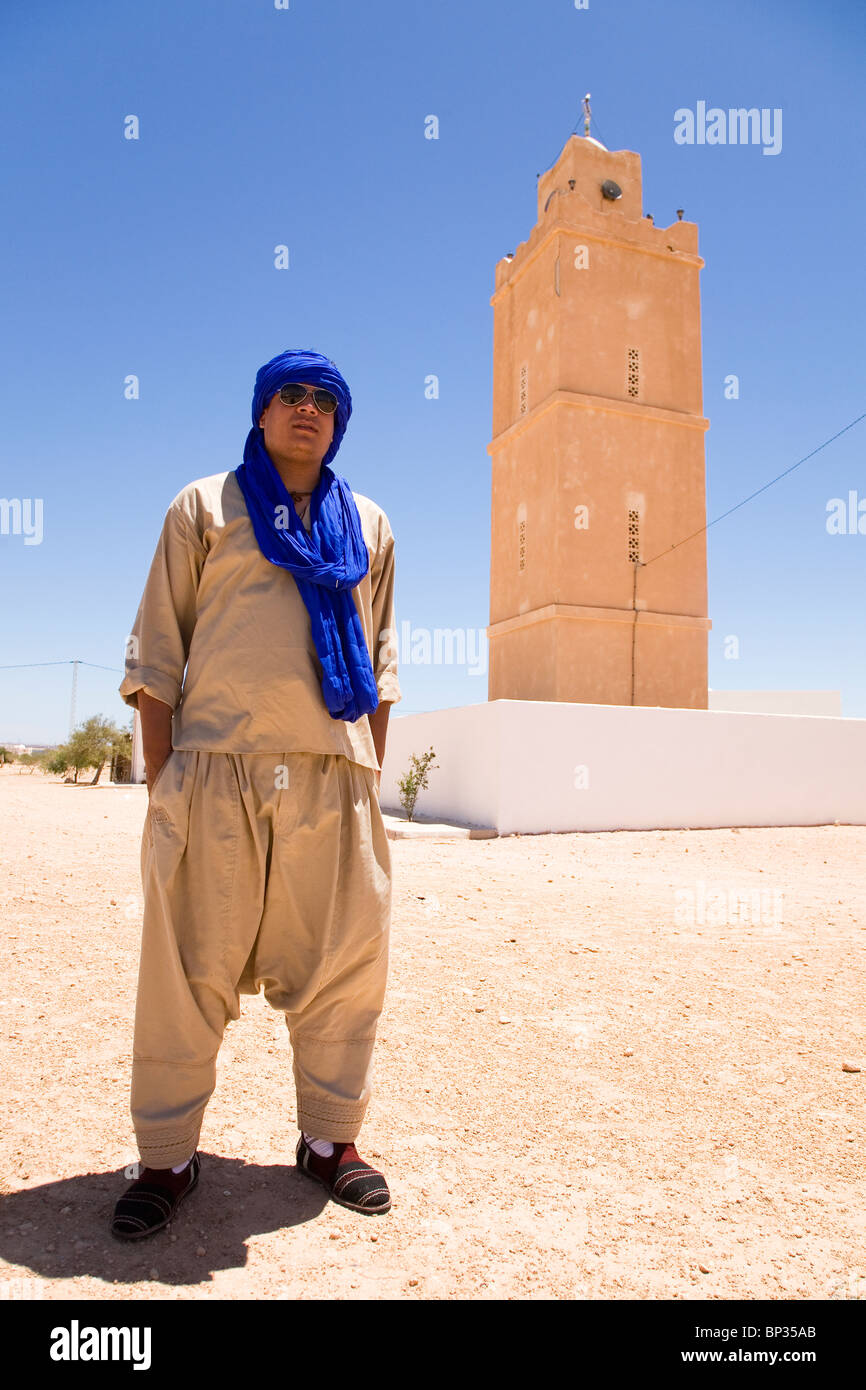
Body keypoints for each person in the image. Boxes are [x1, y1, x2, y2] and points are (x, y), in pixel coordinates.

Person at [110, 349, 401, 1241]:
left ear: (338, 420)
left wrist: (367, 777)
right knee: (185, 970)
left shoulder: (373, 526)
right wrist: (162, 784)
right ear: (263, 411)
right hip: (215, 772)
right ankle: (166, 1157)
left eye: (324, 400)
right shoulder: (203, 506)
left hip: (332, 778)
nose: (307, 410)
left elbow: (380, 666)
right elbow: (160, 655)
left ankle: (328, 1143)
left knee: (343, 972)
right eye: (291, 395)